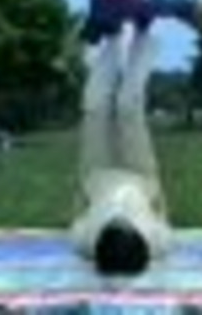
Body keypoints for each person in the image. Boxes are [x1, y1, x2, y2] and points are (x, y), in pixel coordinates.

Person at [70, 32, 172, 276]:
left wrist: (82, 186)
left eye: (114, 225)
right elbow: (162, 207)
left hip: (97, 174)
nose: (120, 218)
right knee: (128, 107)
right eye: (126, 225)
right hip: (140, 175)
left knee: (95, 105)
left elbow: (78, 209)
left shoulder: (85, 241)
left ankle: (113, 39)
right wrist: (154, 189)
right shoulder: (157, 241)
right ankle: (143, 40)